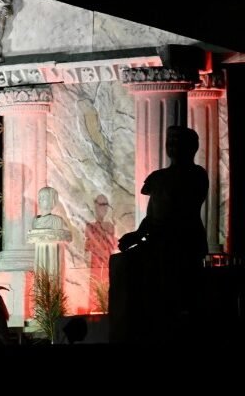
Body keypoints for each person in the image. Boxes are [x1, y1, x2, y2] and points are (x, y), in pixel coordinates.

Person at [112, 126, 208, 344]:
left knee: (182, 297)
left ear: (192, 147)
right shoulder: (158, 178)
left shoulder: (196, 175)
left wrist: (148, 235)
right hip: (159, 241)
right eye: (170, 142)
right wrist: (137, 234)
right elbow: (153, 213)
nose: (172, 147)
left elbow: (180, 212)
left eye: (178, 142)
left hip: (184, 242)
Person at [84, 195, 116, 312]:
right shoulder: (90, 226)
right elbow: (87, 247)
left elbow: (112, 245)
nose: (104, 208)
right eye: (102, 204)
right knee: (95, 287)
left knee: (107, 286)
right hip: (95, 263)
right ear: (95, 206)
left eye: (106, 205)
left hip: (107, 263)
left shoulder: (110, 226)